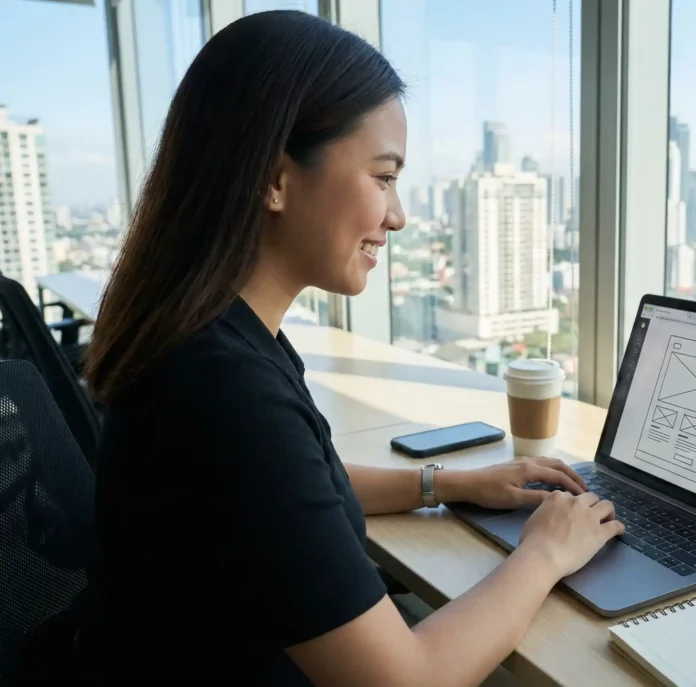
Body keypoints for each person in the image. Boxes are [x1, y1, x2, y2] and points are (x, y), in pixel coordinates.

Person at [86, 11, 622, 686]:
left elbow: (299, 487)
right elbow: (404, 680)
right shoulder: (224, 391)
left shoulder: (214, 337)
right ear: (274, 179)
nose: (397, 215)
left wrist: (449, 484)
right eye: (383, 176)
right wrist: (545, 552)